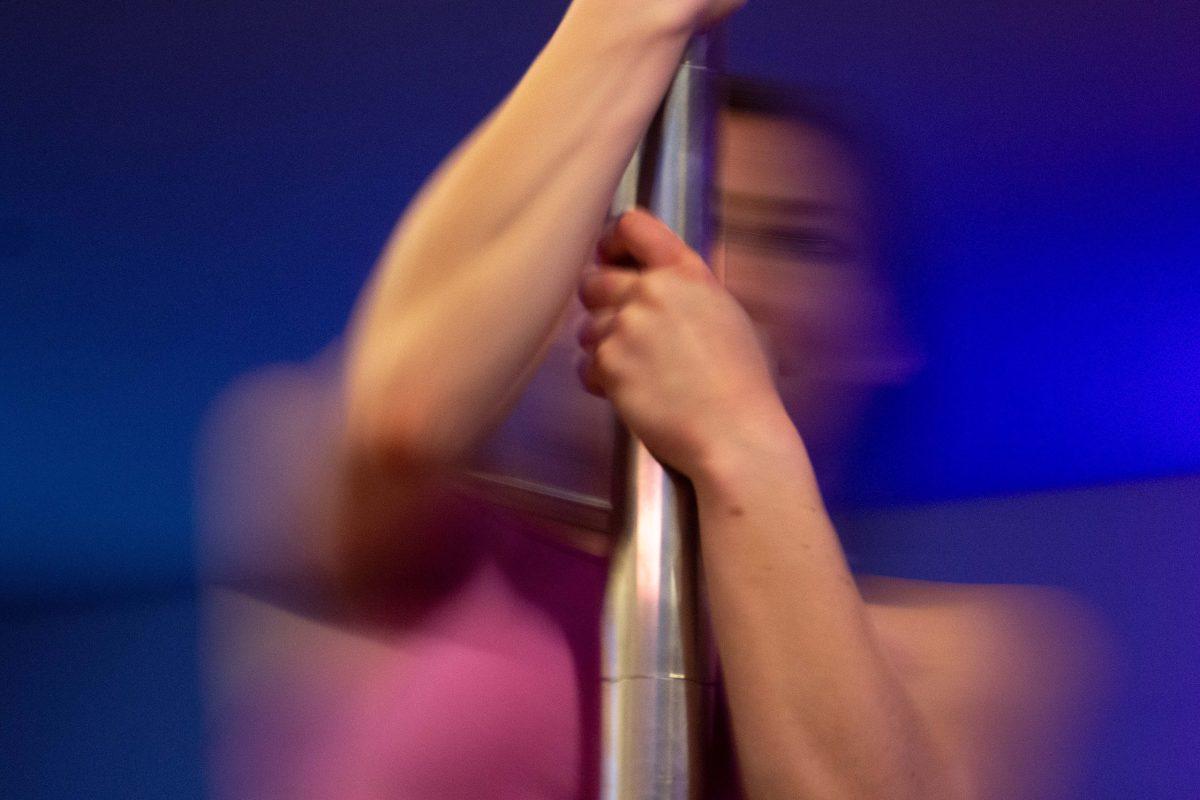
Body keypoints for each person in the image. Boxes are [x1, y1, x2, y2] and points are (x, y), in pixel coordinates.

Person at [197, 1, 1111, 797]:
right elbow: (404, 415)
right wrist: (627, 15)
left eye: (799, 241)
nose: (719, 278)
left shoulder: (965, 659)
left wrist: (737, 435)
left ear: (883, 332)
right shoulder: (403, 538)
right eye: (644, 233)